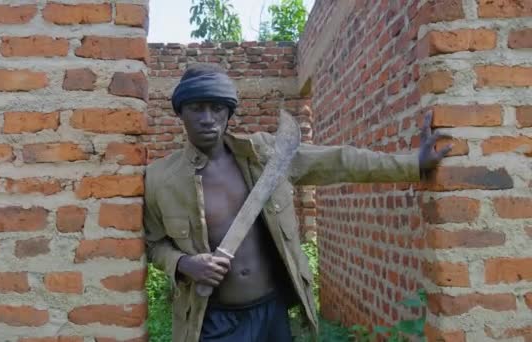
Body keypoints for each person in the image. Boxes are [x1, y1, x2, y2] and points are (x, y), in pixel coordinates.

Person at [144, 64, 450, 342]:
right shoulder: (161, 180)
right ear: (181, 113)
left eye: (217, 108)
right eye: (197, 109)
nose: (208, 119)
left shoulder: (265, 156)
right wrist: (184, 264)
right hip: (212, 318)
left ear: (229, 113)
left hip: (272, 311)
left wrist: (413, 164)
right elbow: (154, 244)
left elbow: (341, 161)